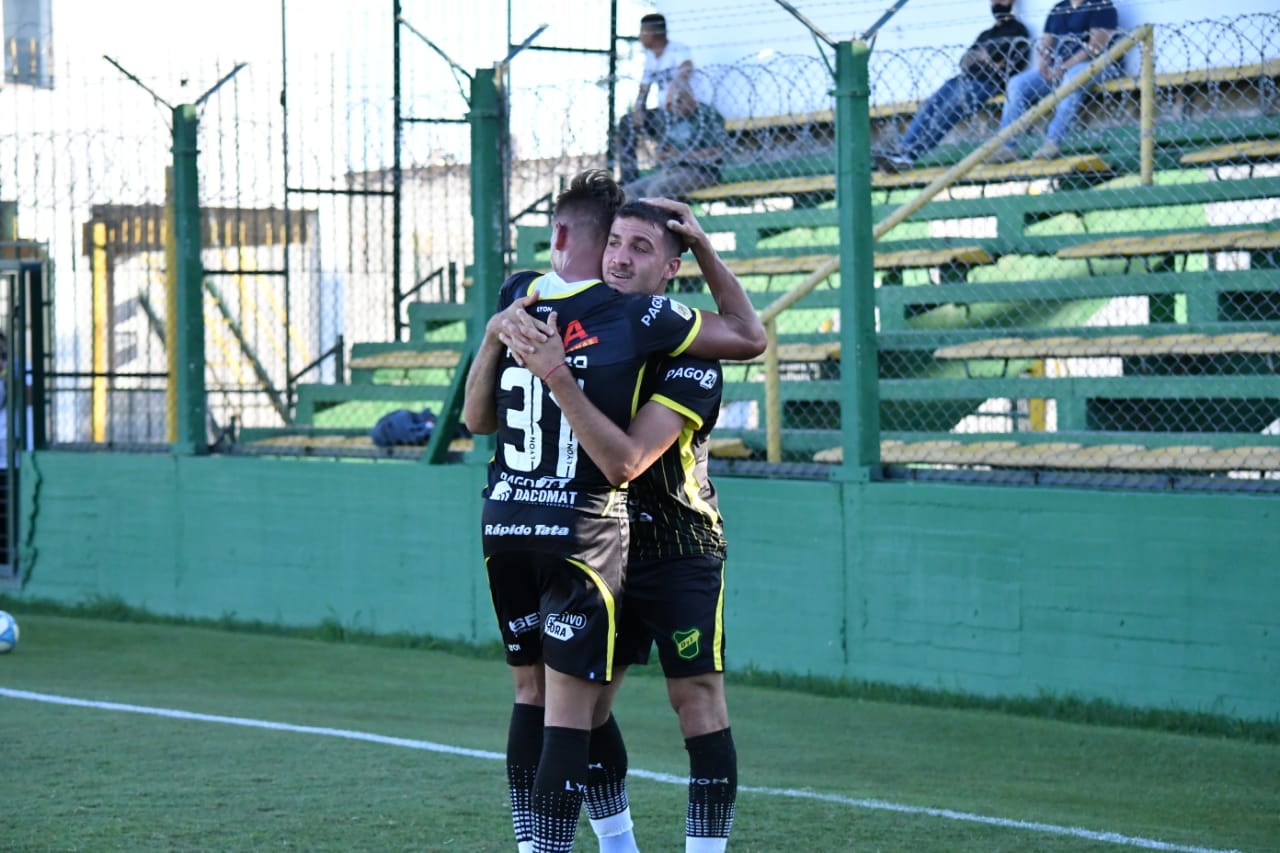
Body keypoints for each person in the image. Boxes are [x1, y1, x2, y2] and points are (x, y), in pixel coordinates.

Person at [462, 171, 764, 853]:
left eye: (640, 248)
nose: (621, 258)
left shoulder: (689, 355)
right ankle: (618, 843)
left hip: (677, 543)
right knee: (588, 705)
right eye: (616, 243)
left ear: (671, 269)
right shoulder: (583, 320)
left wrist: (705, 246)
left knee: (695, 698)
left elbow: (629, 459)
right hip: (605, 538)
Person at [875, 0, 1030, 172]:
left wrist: (983, 58)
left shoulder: (1017, 31)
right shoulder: (986, 34)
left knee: (947, 112)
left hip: (987, 83)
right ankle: (902, 150)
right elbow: (965, 61)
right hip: (963, 79)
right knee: (929, 107)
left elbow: (1010, 64)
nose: (996, 3)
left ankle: (911, 155)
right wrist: (987, 58)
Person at [989, 0, 1121, 162]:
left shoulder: (1102, 5)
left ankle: (1053, 141)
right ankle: (1007, 147)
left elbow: (1095, 48)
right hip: (1060, 70)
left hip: (1098, 66)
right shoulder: (1059, 8)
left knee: (1073, 77)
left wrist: (1064, 66)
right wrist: (1043, 64)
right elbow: (1045, 43)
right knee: (1017, 83)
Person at [617, 12, 696, 186]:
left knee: (664, 123)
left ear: (652, 33)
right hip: (663, 111)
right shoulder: (650, 57)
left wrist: (675, 86)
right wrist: (639, 109)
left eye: (642, 32)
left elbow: (686, 68)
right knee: (627, 122)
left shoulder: (677, 49)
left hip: (683, 109)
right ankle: (629, 174)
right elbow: (644, 87)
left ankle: (670, 165)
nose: (639, 37)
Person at [623, 83, 728, 201]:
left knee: (656, 191)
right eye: (670, 103)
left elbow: (716, 152)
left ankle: (657, 214)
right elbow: (665, 148)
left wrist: (680, 155)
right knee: (627, 192)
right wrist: (661, 154)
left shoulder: (707, 116)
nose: (674, 106)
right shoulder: (672, 118)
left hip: (700, 173)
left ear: (691, 97)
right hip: (670, 171)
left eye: (679, 101)